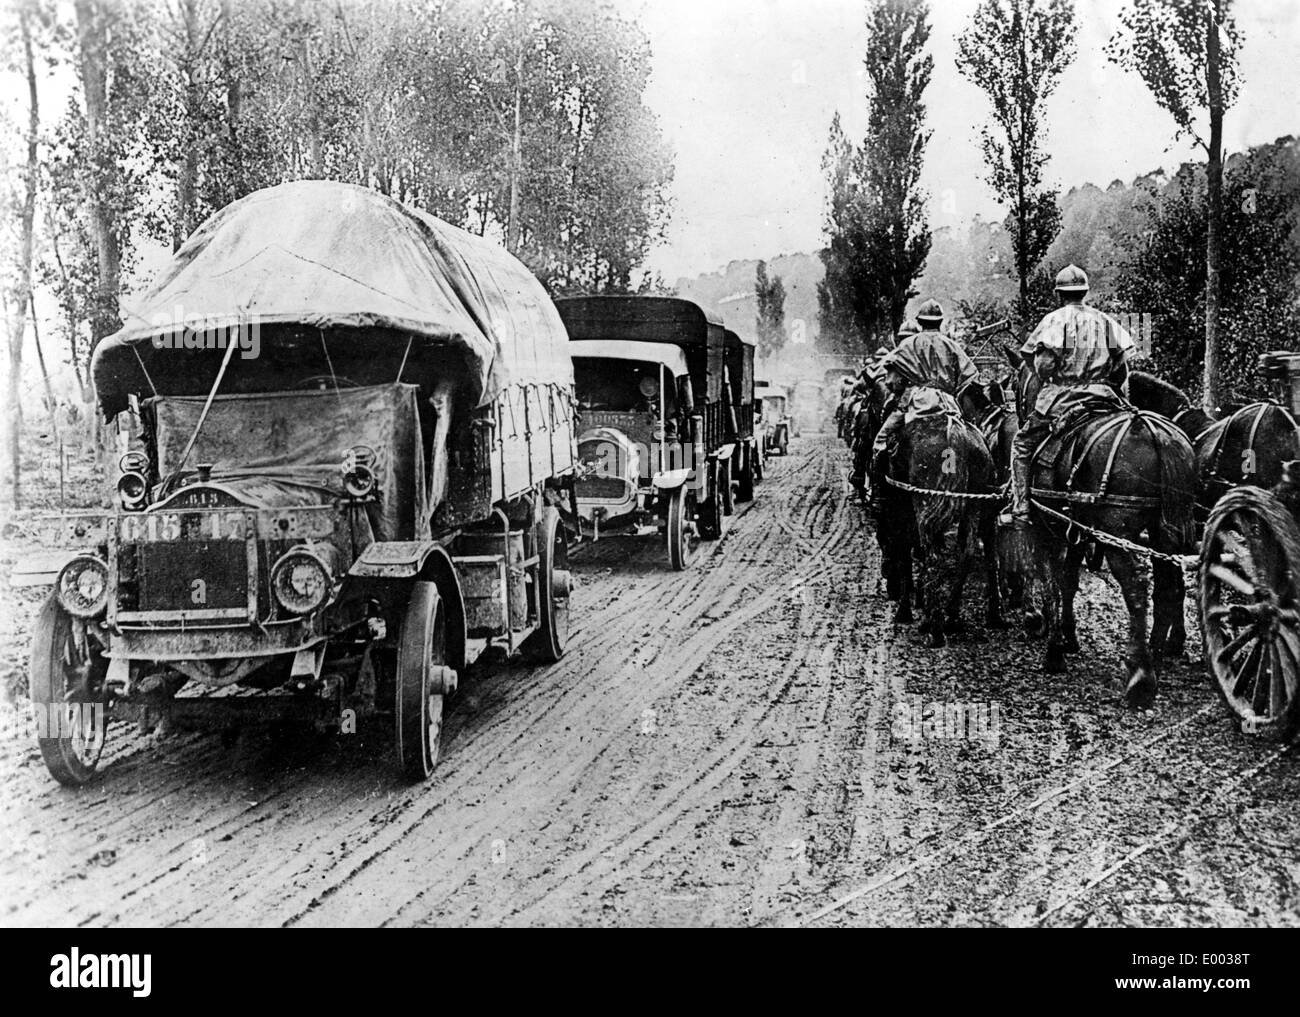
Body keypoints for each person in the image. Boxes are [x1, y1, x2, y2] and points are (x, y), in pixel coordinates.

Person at [1007, 264, 1135, 520]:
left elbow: (1043, 368)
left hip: (1063, 399)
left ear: (1059, 294)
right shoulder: (1105, 320)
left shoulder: (1055, 320)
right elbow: (1122, 370)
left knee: (1021, 444)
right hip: (1104, 399)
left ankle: (1020, 506)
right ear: (1085, 292)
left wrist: (1057, 375)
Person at [871, 300, 979, 462]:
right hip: (948, 404)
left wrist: (903, 388)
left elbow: (891, 382)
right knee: (977, 438)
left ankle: (877, 484)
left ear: (920, 322)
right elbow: (970, 379)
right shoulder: (952, 346)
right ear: (940, 322)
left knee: (880, 442)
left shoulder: (907, 345)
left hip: (918, 403)